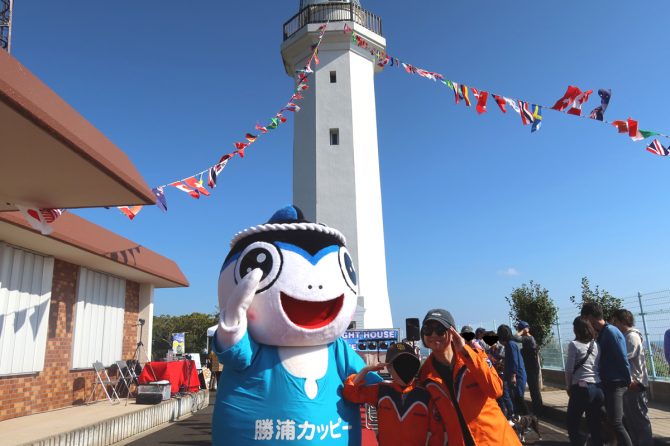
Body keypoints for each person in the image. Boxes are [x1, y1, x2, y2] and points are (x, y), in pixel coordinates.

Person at [419, 309, 521, 445]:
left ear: (452, 333)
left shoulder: (475, 356)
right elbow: (435, 423)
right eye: (427, 330)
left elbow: (496, 390)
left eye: (440, 329)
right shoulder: (425, 375)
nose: (433, 335)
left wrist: (464, 351)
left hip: (495, 440)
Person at [343, 342, 443, 446]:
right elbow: (350, 393)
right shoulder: (381, 391)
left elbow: (437, 434)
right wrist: (365, 370)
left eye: (408, 363)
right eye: (399, 364)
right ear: (389, 367)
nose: (404, 368)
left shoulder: (426, 395)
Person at [581, 302, 632, 446]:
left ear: (590, 317)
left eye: (585, 318)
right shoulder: (603, 332)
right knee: (613, 419)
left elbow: (622, 357)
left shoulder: (610, 331)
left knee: (616, 422)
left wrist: (627, 378)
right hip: (608, 382)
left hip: (616, 382)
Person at [611, 309, 653, 446]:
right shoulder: (627, 336)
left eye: (615, 321)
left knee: (640, 421)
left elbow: (624, 358)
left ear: (623, 321)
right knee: (631, 421)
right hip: (630, 384)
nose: (614, 324)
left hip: (635, 384)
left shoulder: (631, 337)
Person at [565, 316, 605, 446]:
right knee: (594, 424)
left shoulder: (574, 345)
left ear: (576, 329)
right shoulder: (596, 344)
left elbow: (569, 369)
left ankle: (579, 442)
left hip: (581, 388)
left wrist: (568, 386)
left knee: (572, 422)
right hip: (598, 387)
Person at [498, 324, 528, 417]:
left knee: (518, 398)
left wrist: (513, 376)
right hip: (514, 374)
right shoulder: (510, 344)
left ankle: (527, 420)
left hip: (517, 375)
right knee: (516, 398)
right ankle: (519, 418)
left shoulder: (510, 345)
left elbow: (514, 361)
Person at [516, 320, 543, 414]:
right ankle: (538, 410)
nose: (518, 331)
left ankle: (539, 411)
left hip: (532, 367)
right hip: (531, 366)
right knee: (534, 389)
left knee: (534, 389)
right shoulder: (529, 339)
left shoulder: (528, 338)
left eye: (519, 329)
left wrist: (522, 331)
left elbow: (515, 337)